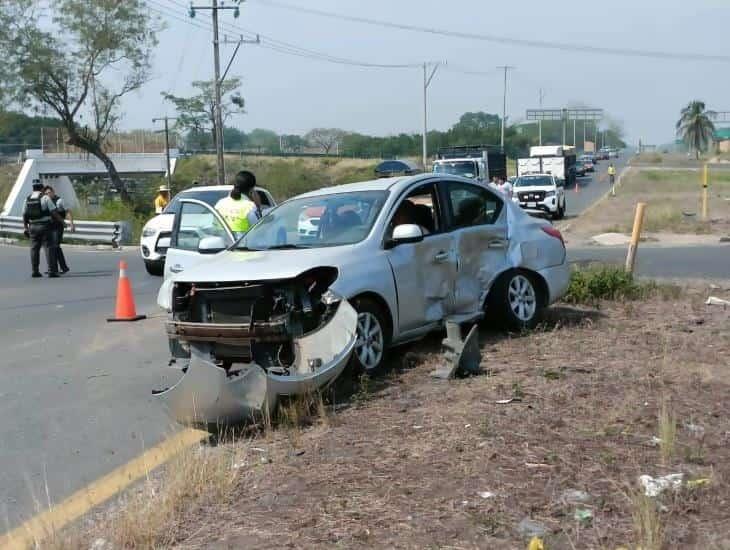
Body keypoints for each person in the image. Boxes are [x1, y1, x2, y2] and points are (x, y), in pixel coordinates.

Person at [22, 180, 63, 278]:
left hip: (32, 227)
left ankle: (35, 271)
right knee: (49, 248)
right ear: (41, 188)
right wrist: (62, 222)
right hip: (45, 226)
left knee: (34, 249)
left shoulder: (27, 199)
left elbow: (24, 214)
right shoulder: (45, 198)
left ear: (33, 188)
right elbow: (53, 212)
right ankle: (52, 271)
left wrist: (25, 228)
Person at [214, 170, 261, 237]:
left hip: (220, 246)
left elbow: (214, 229)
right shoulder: (249, 207)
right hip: (242, 246)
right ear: (251, 190)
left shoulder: (220, 204)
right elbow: (257, 230)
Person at [44, 185, 75, 274]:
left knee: (55, 246)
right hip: (49, 226)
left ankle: (60, 267)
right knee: (53, 248)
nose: (48, 194)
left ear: (53, 192)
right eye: (46, 193)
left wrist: (71, 224)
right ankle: (57, 268)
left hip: (58, 226)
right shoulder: (45, 201)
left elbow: (68, 212)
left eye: (49, 192)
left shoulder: (59, 200)